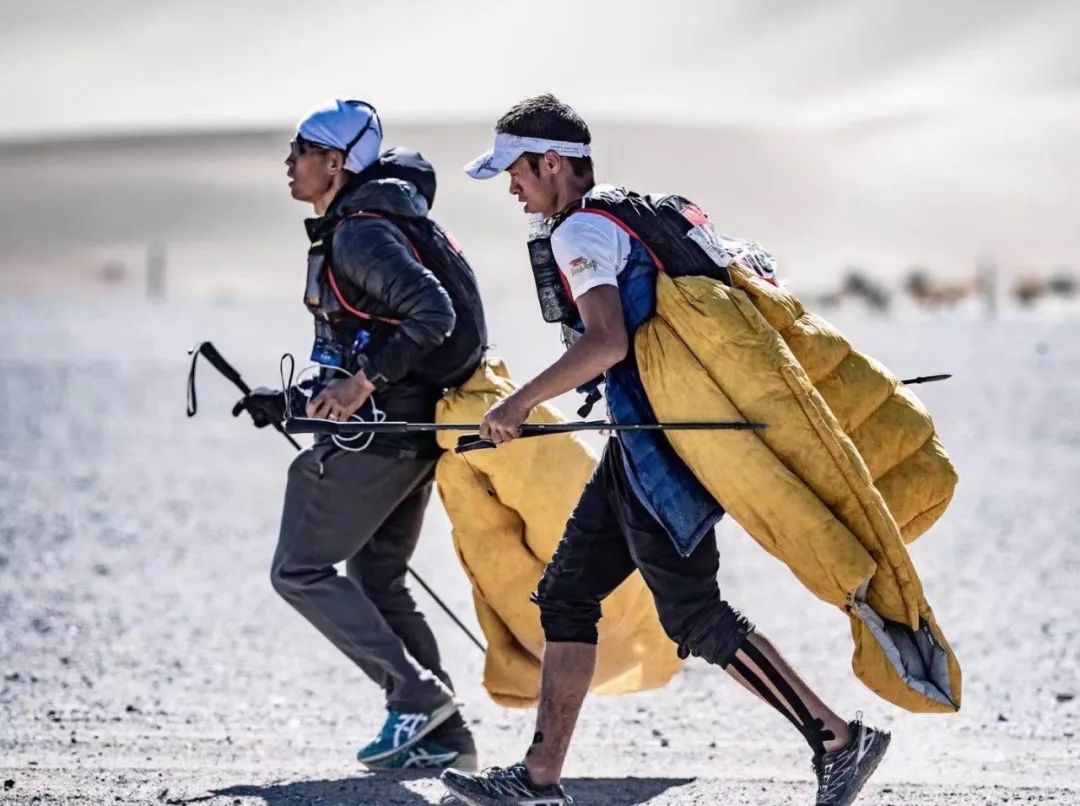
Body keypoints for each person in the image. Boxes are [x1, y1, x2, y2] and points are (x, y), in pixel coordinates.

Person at [440, 94, 890, 805]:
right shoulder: (634, 208)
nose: (512, 185)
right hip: (656, 438)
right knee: (566, 594)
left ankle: (838, 739)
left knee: (693, 613)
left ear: (553, 162)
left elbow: (607, 340)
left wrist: (517, 404)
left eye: (516, 169)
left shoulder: (579, 232)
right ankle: (538, 779)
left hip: (662, 448)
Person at [234, 99, 487, 772]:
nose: (289, 161)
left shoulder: (359, 233)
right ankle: (446, 738)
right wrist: (291, 401)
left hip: (386, 432)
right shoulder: (365, 223)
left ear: (336, 163)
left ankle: (414, 696)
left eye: (301, 149)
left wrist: (361, 385)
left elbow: (431, 313)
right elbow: (364, 336)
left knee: (299, 570)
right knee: (377, 575)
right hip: (406, 428)